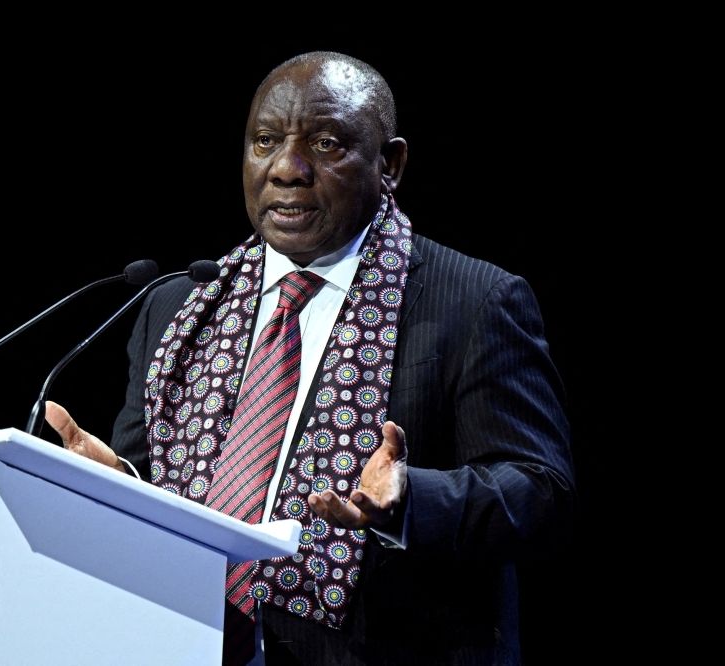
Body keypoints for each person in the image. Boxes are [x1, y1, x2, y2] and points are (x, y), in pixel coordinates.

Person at [45, 51, 573, 665]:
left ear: (390, 164)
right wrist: (115, 485)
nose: (287, 170)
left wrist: (411, 500)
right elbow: (147, 480)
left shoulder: (473, 301)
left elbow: (542, 492)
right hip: (182, 640)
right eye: (265, 142)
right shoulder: (178, 305)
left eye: (325, 145)